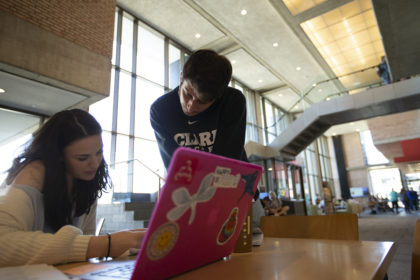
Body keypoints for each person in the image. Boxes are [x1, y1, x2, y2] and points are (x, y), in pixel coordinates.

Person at [0, 109, 145, 267]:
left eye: (99, 152)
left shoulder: (86, 180)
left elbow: (84, 247)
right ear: (58, 155)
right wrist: (105, 245)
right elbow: (3, 244)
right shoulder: (33, 173)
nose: (95, 164)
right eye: (82, 158)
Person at [150, 49, 247, 169]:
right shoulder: (161, 110)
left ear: (218, 98)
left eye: (201, 102)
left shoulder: (232, 101)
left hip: (232, 181)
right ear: (181, 77)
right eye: (188, 94)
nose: (190, 107)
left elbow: (227, 162)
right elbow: (175, 167)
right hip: (189, 185)